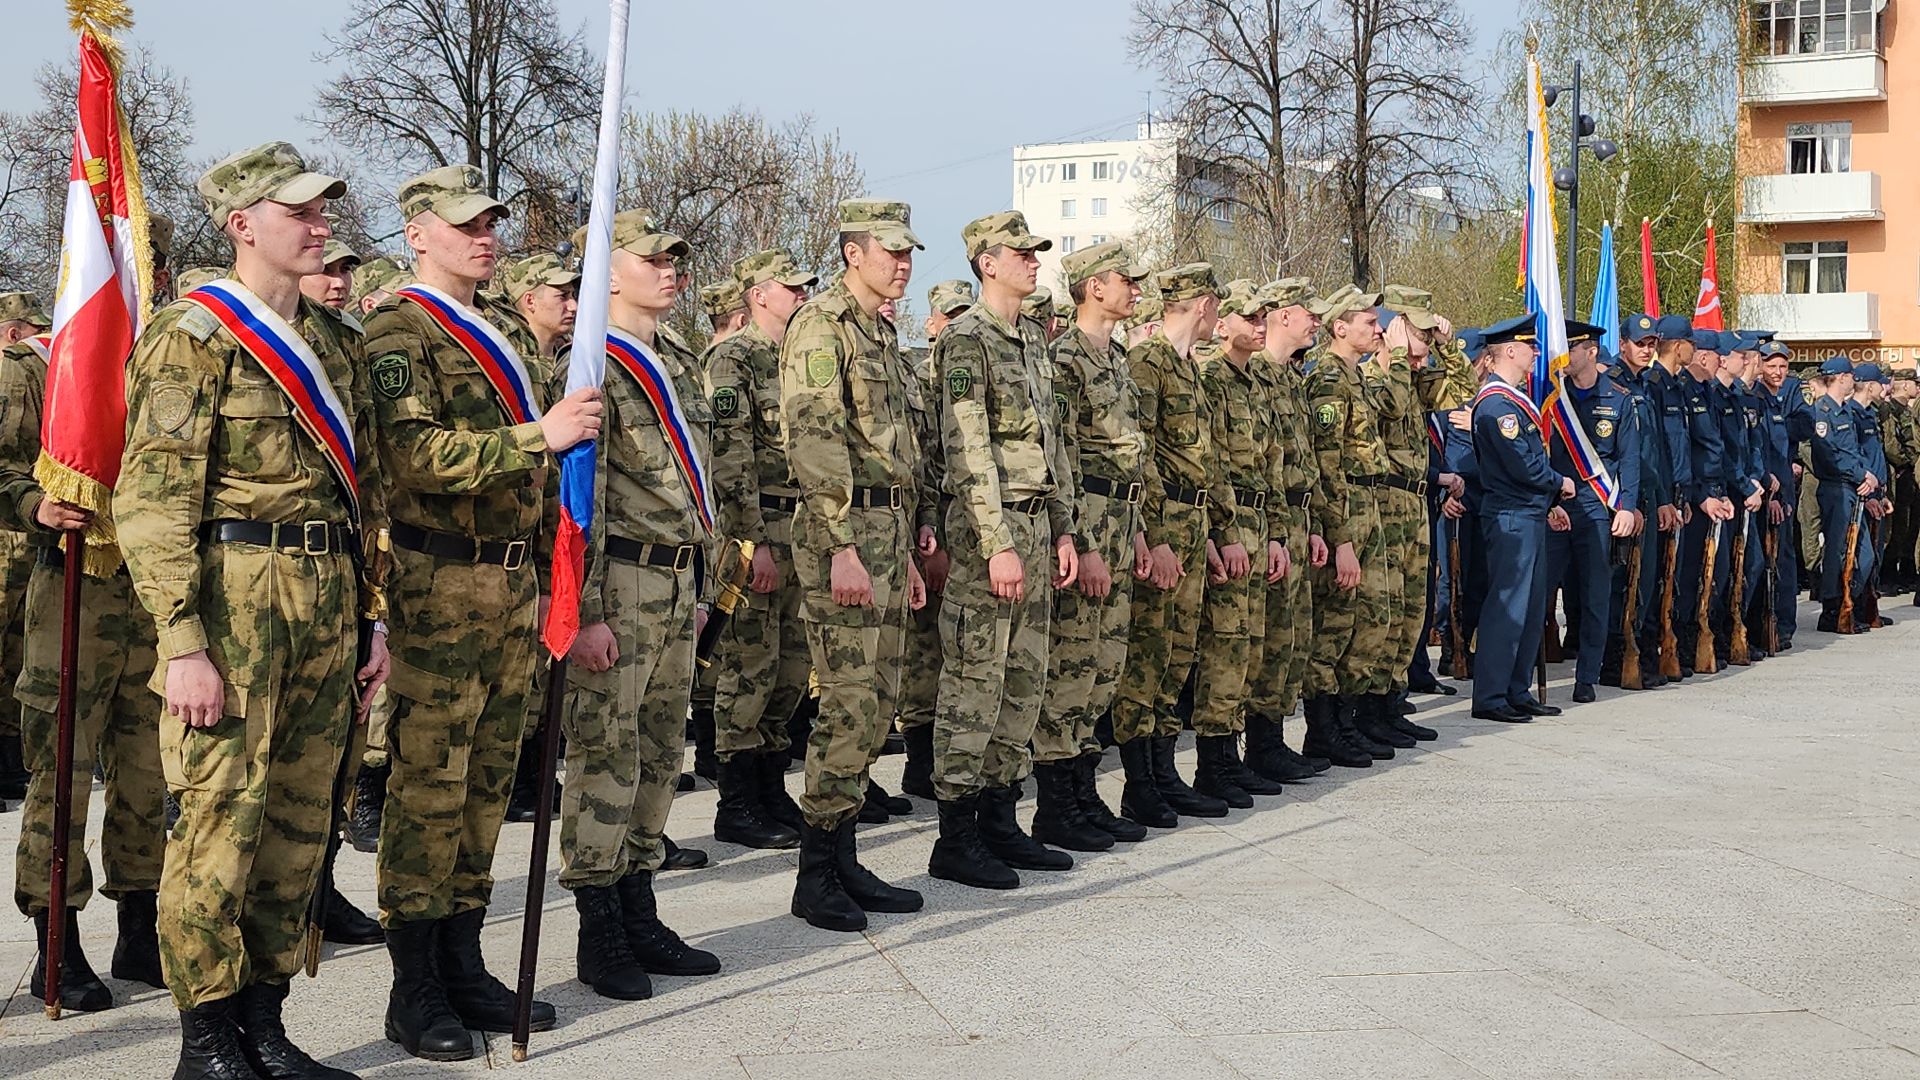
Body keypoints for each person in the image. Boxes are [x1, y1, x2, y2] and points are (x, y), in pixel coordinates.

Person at [116, 141, 390, 1080]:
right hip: (234, 602)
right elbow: (153, 503)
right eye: (302, 213)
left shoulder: (336, 344)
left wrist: (374, 616)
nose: (323, 228)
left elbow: (366, 496)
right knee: (219, 823)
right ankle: (208, 1042)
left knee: (299, 822)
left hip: (327, 598)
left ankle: (266, 1026)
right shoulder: (192, 338)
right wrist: (182, 641)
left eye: (325, 213)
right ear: (243, 224)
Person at [365, 164, 602, 1059]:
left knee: (486, 786)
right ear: (418, 233)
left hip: (511, 588)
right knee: (429, 784)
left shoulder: (503, 327)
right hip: (440, 587)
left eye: (490, 221)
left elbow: (545, 474)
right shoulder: (398, 328)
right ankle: (414, 983)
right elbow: (411, 453)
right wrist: (533, 436)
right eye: (465, 224)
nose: (485, 235)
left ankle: (463, 959)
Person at [551, 209, 723, 1001]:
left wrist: (698, 580)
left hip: (674, 579)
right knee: (605, 755)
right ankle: (599, 925)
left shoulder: (677, 362)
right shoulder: (596, 362)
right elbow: (578, 499)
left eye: (675, 258)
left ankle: (639, 901)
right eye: (651, 258)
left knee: (660, 753)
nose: (669, 269)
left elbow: (695, 483)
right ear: (608, 272)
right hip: (616, 584)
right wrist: (583, 612)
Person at [779, 199, 928, 932]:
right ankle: (816, 873)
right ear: (852, 253)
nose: (902, 263)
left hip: (887, 530)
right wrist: (841, 546)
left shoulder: (881, 331)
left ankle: (844, 854)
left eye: (908, 253)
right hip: (846, 535)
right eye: (890, 251)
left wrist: (906, 542)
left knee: (879, 698)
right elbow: (813, 439)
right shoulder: (820, 326)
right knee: (846, 702)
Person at [926, 210, 1078, 888]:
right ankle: (956, 836)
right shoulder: (966, 342)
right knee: (974, 683)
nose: (1033, 260)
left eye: (1033, 252)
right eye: (1021, 252)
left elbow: (1053, 445)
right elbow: (967, 450)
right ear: (987, 262)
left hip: (1039, 525)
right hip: (995, 532)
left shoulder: (1032, 343)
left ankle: (1000, 820)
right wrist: (996, 544)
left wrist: (1065, 527)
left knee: (1023, 680)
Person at [1031, 241, 1150, 849]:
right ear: (1095, 286)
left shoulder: (1117, 358)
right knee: (1073, 665)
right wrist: (1080, 539)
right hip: (1090, 522)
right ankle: (1055, 804)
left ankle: (1083, 792)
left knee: (1104, 668)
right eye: (1126, 280)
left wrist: (1143, 535)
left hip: (1123, 521)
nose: (1135, 288)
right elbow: (1063, 457)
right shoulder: (1065, 359)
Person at [1113, 264, 1239, 826]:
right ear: (1204, 305)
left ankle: (1164, 773)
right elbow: (1138, 455)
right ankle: (1140, 781)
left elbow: (1204, 462)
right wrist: (1156, 536)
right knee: (1147, 656)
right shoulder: (1149, 363)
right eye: (1217, 306)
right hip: (1163, 527)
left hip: (1192, 525)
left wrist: (1213, 532)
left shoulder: (1190, 368)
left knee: (1176, 656)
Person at [704, 248, 818, 850]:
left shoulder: (800, 358)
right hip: (758, 527)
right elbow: (731, 456)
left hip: (801, 525)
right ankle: (738, 801)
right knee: (749, 665)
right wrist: (753, 542)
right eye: (791, 288)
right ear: (758, 294)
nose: (801, 296)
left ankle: (772, 788)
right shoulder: (734, 358)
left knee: (791, 666)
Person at [1189, 281, 1288, 807]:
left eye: (1262, 317)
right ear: (1221, 322)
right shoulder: (1211, 377)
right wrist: (1221, 531)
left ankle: (1231, 756)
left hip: (1256, 519)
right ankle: (1213, 761)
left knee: (1248, 644)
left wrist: (1271, 532)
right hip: (1227, 522)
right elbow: (1211, 463)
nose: (1257, 325)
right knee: (1224, 645)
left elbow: (1269, 466)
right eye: (1247, 317)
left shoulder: (1252, 383)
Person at [1303, 285, 1402, 763]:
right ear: (1340, 327)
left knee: (1372, 618)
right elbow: (1325, 462)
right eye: (1368, 321)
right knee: (1338, 621)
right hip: (1344, 507)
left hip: (1369, 501)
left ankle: (1348, 718)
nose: (1378, 328)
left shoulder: (1355, 376)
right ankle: (1324, 728)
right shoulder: (1326, 378)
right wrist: (1339, 536)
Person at [1243, 279, 1334, 778]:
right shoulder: (1255, 374)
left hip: (1297, 519)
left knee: (1290, 638)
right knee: (1268, 638)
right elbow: (1263, 466)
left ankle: (1272, 739)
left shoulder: (1287, 379)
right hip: (1270, 522)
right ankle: (1259, 745)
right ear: (1282, 316)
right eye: (1308, 313)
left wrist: (1314, 524)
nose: (1315, 322)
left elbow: (1303, 465)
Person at [1468, 315, 1572, 723]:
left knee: (1530, 608)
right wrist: (1559, 482)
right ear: (1509, 351)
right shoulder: (1497, 406)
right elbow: (1523, 466)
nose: (1536, 354)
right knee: (1508, 607)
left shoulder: (1513, 401)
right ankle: (1491, 694)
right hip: (1511, 515)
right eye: (1530, 347)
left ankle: (1515, 689)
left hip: (1528, 513)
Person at [896, 279, 975, 806]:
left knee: (956, 650)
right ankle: (920, 763)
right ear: (932, 323)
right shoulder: (921, 377)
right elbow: (924, 466)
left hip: (961, 530)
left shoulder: (959, 377)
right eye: (950, 316)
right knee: (923, 653)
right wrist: (931, 539)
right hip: (931, 533)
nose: (958, 324)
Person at [1541, 321, 1641, 702]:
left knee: (1595, 594)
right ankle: (1531, 675)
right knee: (1542, 590)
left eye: (1572, 347)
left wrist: (1627, 506)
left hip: (1597, 507)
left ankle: (1586, 676)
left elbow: (1630, 458)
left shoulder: (1618, 399)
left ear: (1592, 351)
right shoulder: (1552, 398)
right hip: (1556, 506)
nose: (1563, 356)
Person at [0, 292, 51, 810]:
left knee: (15, 649)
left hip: (27, 528)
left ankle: (9, 758)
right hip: (10, 520)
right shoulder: (14, 373)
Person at [1807, 358, 1873, 633]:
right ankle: (1831, 608)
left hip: (1854, 488)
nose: (1853, 382)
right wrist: (1860, 475)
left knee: (1864, 553)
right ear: (1842, 378)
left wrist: (1867, 476)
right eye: (1850, 377)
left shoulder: (1846, 412)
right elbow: (1828, 456)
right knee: (1836, 551)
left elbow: (1854, 451)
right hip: (1836, 487)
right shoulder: (1822, 411)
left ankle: (1851, 600)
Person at [1755, 341, 1807, 647]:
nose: (1777, 372)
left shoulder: (1787, 395)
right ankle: (1763, 623)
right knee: (1762, 559)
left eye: (1783, 367)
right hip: (1766, 488)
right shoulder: (1758, 399)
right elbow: (1761, 451)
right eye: (1772, 366)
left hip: (1783, 485)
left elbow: (1806, 426)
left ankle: (1784, 624)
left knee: (1784, 556)